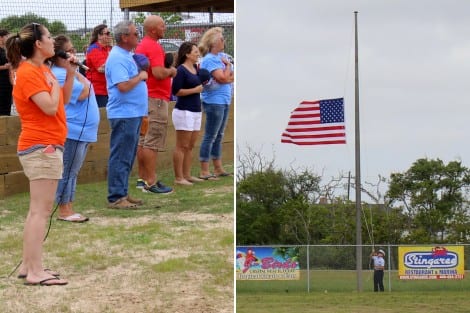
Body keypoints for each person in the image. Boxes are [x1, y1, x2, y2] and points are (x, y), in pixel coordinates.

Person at [6, 22, 75, 286]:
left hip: (48, 144)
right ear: (38, 43)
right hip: (40, 146)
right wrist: (52, 81)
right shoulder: (28, 73)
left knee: (38, 210)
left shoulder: (42, 70)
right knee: (40, 211)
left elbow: (62, 102)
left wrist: (66, 75)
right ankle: (36, 272)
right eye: (48, 37)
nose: (53, 42)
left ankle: (28, 265)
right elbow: (47, 107)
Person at [50, 35, 100, 222]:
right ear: (59, 55)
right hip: (73, 129)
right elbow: (84, 92)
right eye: (68, 51)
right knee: (68, 170)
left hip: (82, 129)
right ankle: (64, 210)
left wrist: (74, 70)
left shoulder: (67, 72)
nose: (73, 54)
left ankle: (69, 206)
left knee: (72, 170)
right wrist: (74, 70)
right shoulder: (60, 73)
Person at [105, 20, 148, 209]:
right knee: (121, 154)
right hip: (124, 113)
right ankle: (116, 196)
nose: (138, 36)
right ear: (124, 37)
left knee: (128, 154)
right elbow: (122, 86)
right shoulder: (117, 58)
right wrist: (140, 76)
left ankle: (122, 192)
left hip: (133, 112)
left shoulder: (125, 55)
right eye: (135, 34)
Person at [135, 15, 176, 194]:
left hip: (146, 98)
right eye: (162, 25)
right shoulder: (153, 46)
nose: (164, 28)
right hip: (156, 99)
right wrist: (172, 70)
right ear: (153, 29)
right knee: (152, 140)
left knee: (143, 140)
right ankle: (151, 181)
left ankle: (142, 179)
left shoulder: (142, 44)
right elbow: (158, 73)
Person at [198, 27, 234, 180]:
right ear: (213, 42)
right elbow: (223, 78)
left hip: (225, 99)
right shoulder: (210, 59)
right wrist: (226, 68)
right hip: (214, 101)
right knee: (210, 135)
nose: (223, 41)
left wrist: (227, 75)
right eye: (221, 39)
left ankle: (218, 167)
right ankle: (205, 170)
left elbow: (230, 76)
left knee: (219, 135)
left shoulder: (222, 56)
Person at [171, 42, 205, 186]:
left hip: (196, 110)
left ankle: (187, 175)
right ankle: (178, 177)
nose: (198, 54)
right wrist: (194, 90)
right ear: (187, 54)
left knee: (190, 145)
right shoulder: (181, 70)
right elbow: (176, 91)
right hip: (184, 111)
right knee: (182, 145)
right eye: (195, 51)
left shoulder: (196, 68)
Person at [86, 24, 112, 108]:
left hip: (107, 90)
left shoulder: (108, 48)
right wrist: (117, 66)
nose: (109, 36)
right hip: (98, 91)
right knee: (102, 117)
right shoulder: (94, 49)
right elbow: (101, 68)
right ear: (99, 36)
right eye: (107, 33)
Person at [0, 29, 13, 116]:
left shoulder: (6, 50)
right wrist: (5, 67)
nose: (8, 38)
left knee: (7, 105)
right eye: (7, 36)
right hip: (1, 83)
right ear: (1, 37)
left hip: (7, 83)